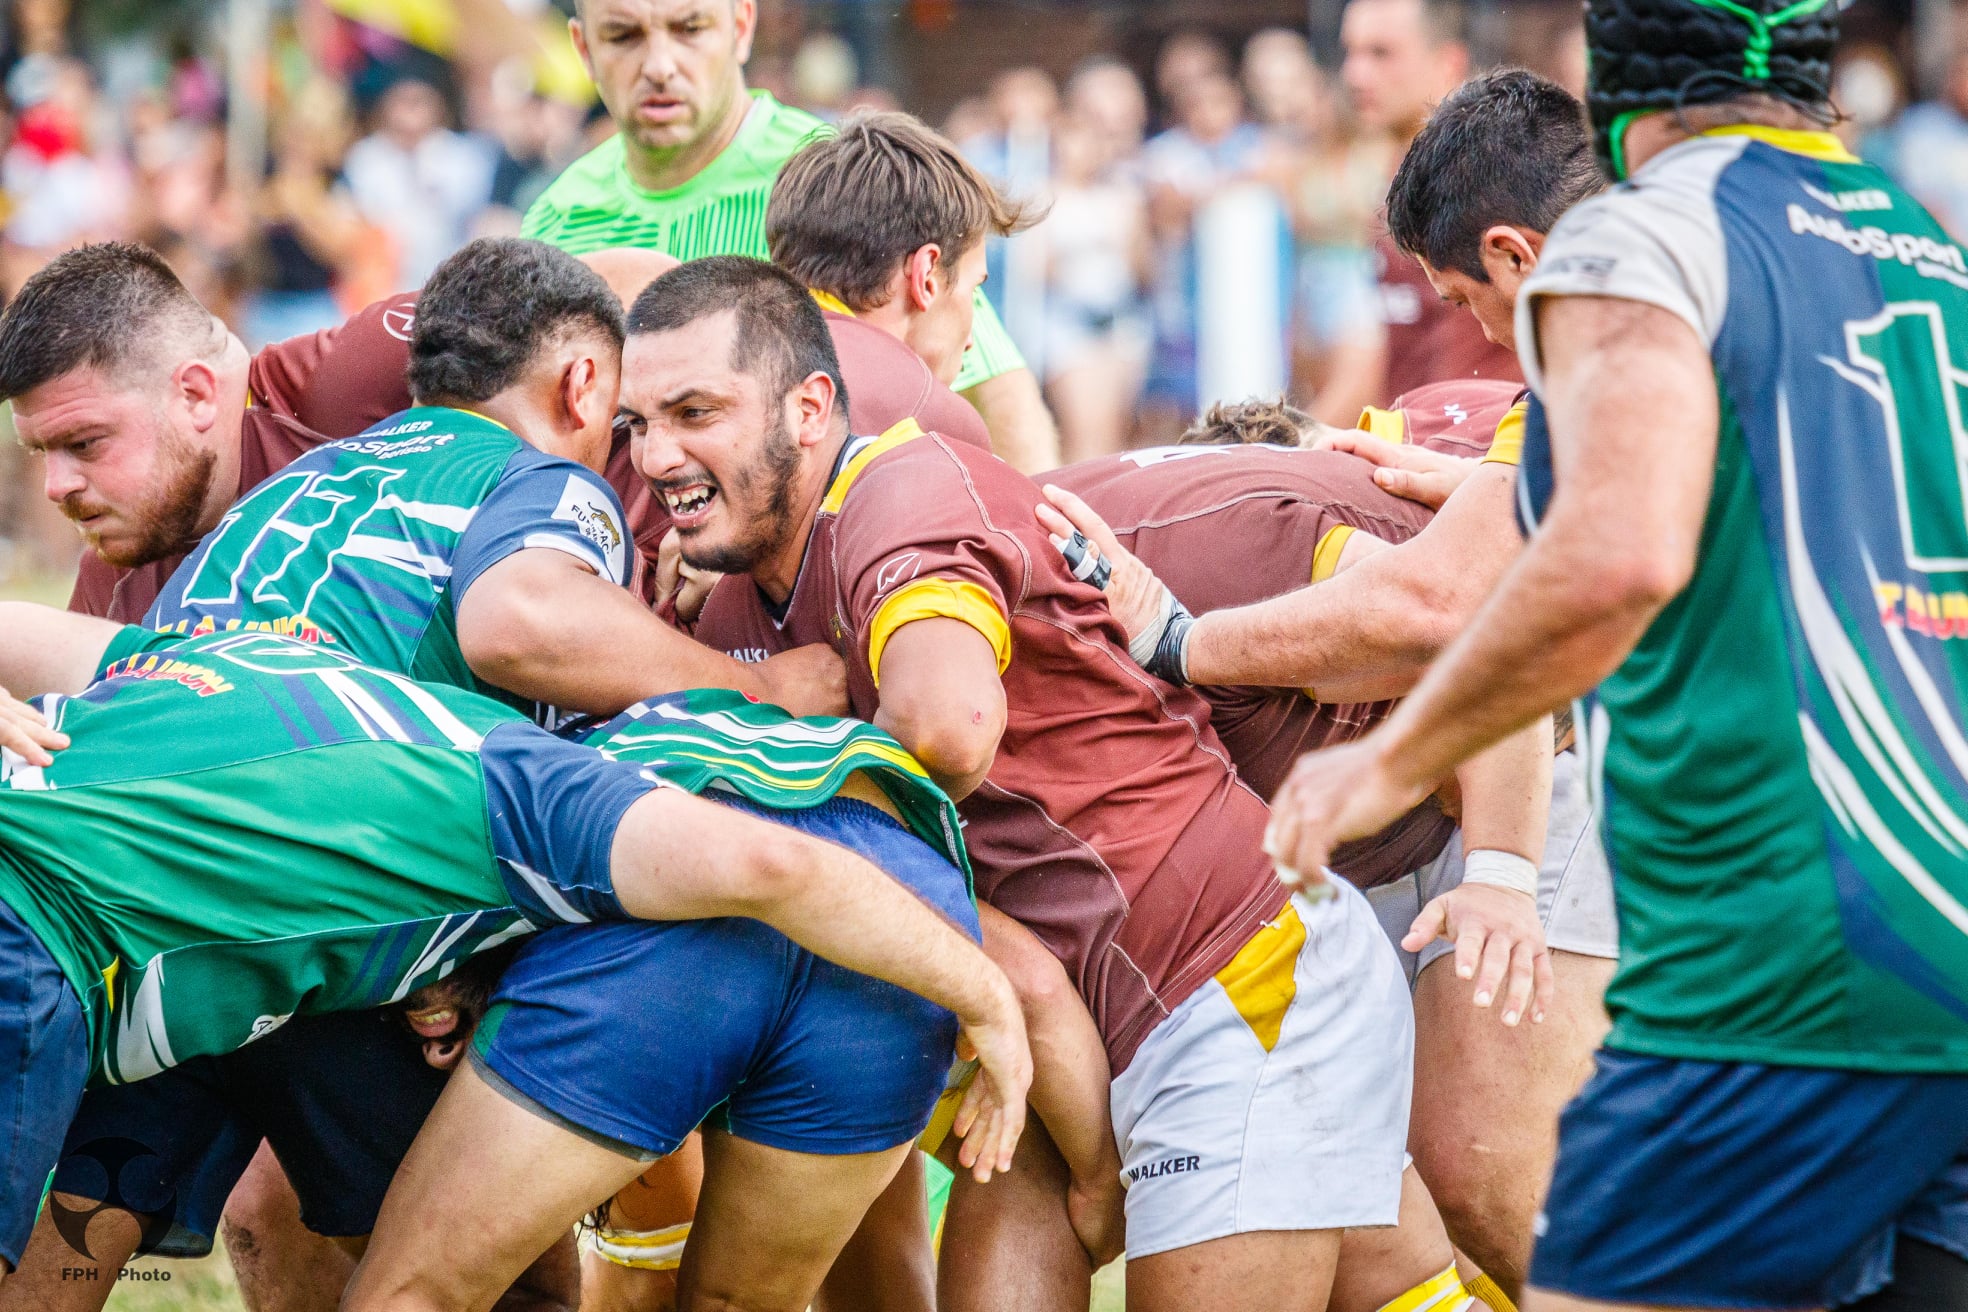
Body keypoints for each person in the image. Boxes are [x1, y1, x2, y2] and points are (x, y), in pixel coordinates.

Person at [627, 255, 1521, 1312]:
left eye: (694, 411)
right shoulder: (733, 602)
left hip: (1229, 972)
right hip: (1088, 1013)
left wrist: (781, 728)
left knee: (1484, 1196)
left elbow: (951, 728)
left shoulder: (906, 491)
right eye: (637, 424)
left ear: (813, 406)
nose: (657, 455)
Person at [1262, 0, 1968, 1303]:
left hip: (1788, 956)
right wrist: (1503, 486)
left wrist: (1386, 763)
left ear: (1622, 84)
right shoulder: (1918, 238)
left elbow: (1621, 556)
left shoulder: (1637, 233)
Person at [0, 237, 842, 1312]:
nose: (635, 447)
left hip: (147, 906)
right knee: (504, 1280)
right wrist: (755, 689)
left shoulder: (284, 485)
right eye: (629, 418)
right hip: (317, 911)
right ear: (586, 382)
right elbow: (519, 623)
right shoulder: (543, 482)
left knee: (71, 1248)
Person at [1034, 72, 1617, 1302]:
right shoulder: (1590, 353)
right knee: (1404, 1164)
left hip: (1618, 737)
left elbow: (1457, 618)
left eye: (1469, 301)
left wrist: (1189, 644)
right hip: (1697, 733)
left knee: (1483, 1165)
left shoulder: (1607, 342)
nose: (1482, 333)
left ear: (1517, 255)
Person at [0, 614, 1030, 1305]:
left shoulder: (274, 667)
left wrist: (990, 1004)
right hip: (909, 905)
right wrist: (985, 993)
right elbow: (773, 864)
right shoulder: (515, 793)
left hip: (41, 917)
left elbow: (768, 862)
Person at [522, 0, 1060, 471]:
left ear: (742, 25)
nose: (660, 66)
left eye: (690, 28)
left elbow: (996, 396)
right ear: (583, 46)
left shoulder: (833, 176)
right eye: (623, 35)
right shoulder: (555, 218)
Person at [765, 111, 1011, 454]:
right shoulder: (935, 424)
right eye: (973, 290)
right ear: (926, 276)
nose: (971, 341)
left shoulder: (708, 361)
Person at [1328, 0, 1519, 414]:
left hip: (1477, 450)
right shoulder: (1400, 174)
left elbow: (1464, 368)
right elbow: (1376, 349)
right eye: (1351, 52)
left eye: (1381, 53)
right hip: (1416, 450)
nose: (1355, 74)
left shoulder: (1486, 174)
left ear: (1448, 61)